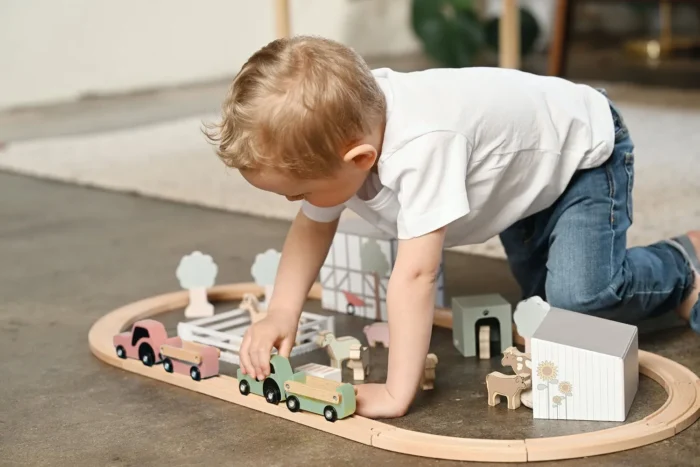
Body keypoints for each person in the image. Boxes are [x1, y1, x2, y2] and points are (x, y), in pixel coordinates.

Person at [204, 35, 700, 419]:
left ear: (360, 157)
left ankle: (684, 259)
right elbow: (312, 229)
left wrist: (399, 389)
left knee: (579, 300)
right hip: (520, 182)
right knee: (543, 316)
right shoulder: (346, 123)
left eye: (300, 192)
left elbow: (415, 275)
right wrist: (280, 313)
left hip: (583, 157)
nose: (301, 204)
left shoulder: (421, 147)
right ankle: (665, 284)